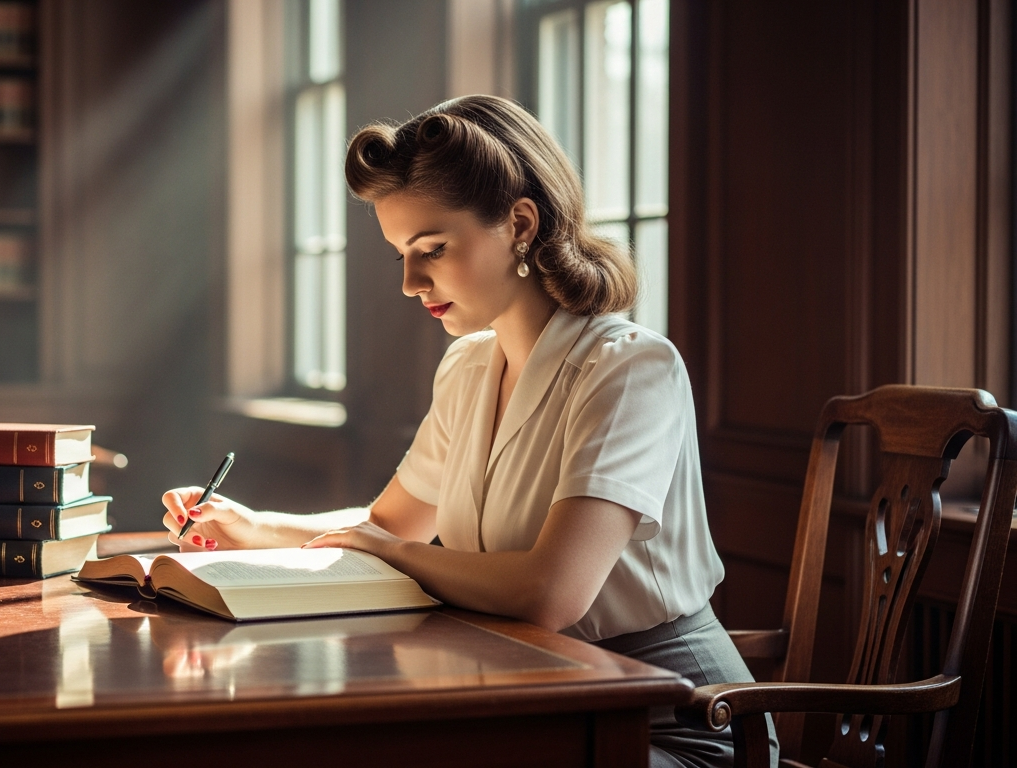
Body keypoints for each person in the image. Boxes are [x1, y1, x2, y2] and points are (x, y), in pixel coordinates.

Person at [160, 94, 777, 768]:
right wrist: (256, 525)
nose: (409, 281)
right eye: (401, 253)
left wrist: (391, 551)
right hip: (545, 700)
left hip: (675, 724)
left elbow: (548, 595)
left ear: (519, 224)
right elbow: (391, 526)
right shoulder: (469, 365)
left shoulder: (629, 368)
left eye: (432, 249)